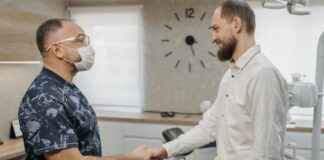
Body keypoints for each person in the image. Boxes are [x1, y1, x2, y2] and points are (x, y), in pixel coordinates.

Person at [150, 0, 289, 160]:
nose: (213, 38)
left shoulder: (263, 75)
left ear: (236, 24)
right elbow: (209, 127)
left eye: (216, 29)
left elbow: (266, 155)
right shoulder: (230, 76)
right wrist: (163, 150)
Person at [18, 18, 152, 160]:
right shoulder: (44, 97)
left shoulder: (65, 88)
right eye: (80, 40)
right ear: (58, 50)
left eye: (87, 41)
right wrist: (132, 157)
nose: (88, 47)